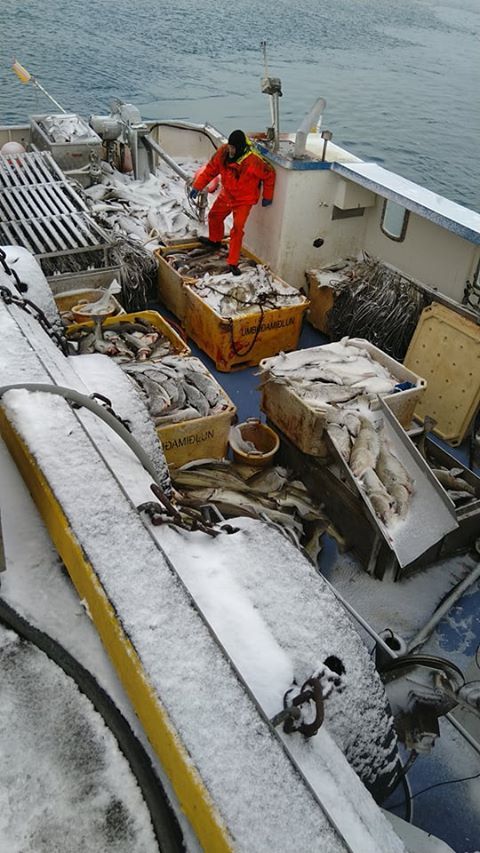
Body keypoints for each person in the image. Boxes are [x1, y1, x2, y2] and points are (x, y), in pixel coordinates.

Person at [189, 130, 275, 276]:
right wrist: (197, 186)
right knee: (214, 216)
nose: (231, 150)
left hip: (244, 200)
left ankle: (233, 262)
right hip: (227, 194)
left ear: (240, 147)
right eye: (230, 146)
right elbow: (210, 170)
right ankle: (215, 241)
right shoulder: (223, 153)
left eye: (234, 148)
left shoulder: (254, 161)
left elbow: (269, 174)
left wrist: (267, 196)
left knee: (237, 229)